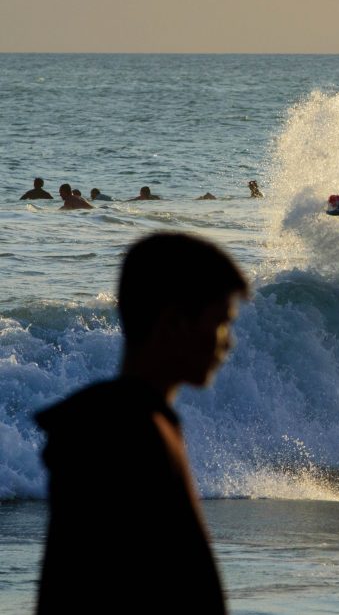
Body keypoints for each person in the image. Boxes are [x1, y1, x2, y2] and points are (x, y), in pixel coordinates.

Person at [34, 233, 249, 614]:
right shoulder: (120, 433)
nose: (227, 342)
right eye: (220, 322)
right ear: (172, 323)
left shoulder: (139, 419)